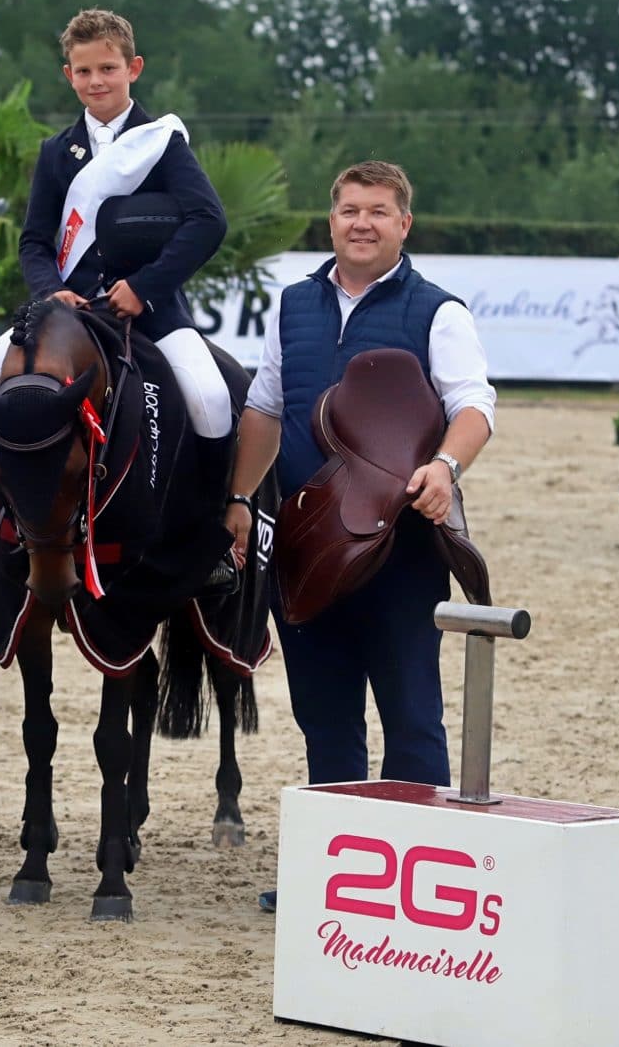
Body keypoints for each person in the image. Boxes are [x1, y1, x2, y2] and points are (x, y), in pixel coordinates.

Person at [222, 161, 496, 913]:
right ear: (332, 219)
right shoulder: (293, 305)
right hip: (306, 549)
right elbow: (265, 407)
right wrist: (240, 496)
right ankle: (335, 877)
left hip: (400, 553)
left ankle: (422, 880)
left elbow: (474, 405)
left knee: (411, 718)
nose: (362, 223)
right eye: (350, 210)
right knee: (326, 720)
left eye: (378, 211)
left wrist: (445, 466)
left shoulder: (438, 312)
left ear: (404, 223)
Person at [0, 8, 235, 559]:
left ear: (134, 68)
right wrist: (50, 291)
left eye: (107, 69)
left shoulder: (162, 143)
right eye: (83, 72)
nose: (96, 81)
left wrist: (145, 287)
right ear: (68, 75)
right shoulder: (55, 152)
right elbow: (35, 241)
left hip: (150, 310)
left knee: (212, 400)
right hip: (66, 315)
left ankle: (210, 542)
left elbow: (209, 221)